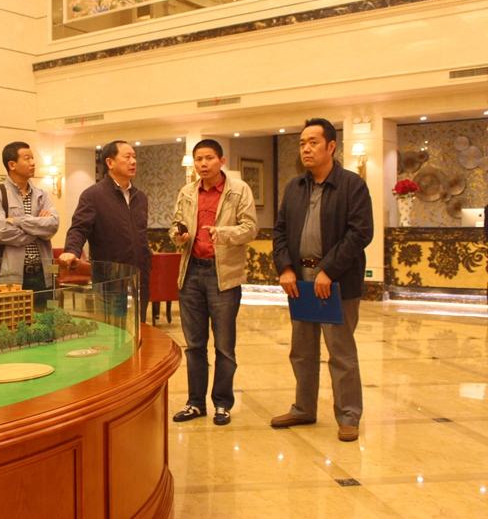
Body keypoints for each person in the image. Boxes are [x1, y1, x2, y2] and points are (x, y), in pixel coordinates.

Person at [271, 118, 374, 442]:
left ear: (331, 146)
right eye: (302, 143)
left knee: (341, 353)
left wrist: (328, 270)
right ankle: (304, 408)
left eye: (313, 142)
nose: (306, 148)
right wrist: (285, 267)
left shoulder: (352, 185)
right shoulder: (294, 187)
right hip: (301, 283)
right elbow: (280, 232)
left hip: (338, 283)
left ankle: (348, 416)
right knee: (302, 351)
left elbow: (360, 233)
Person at [170, 139, 259, 426]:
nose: (203, 164)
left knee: (224, 346)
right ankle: (195, 403)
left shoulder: (239, 190)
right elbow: (175, 226)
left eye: (209, 158)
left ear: (221, 161)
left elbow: (250, 228)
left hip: (224, 275)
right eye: (198, 159)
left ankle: (222, 403)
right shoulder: (187, 192)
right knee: (194, 345)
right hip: (191, 272)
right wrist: (179, 236)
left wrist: (223, 233)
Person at [59, 140, 152, 323]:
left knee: (139, 327)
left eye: (134, 157)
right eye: (127, 157)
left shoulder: (140, 197)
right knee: (113, 329)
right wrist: (71, 250)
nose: (133, 161)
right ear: (110, 162)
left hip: (139, 276)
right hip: (110, 278)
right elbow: (79, 228)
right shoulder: (93, 195)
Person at [0, 142, 59, 310]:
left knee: (45, 321)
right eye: (27, 158)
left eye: (33, 158)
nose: (33, 163)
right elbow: (1, 232)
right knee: (12, 322)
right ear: (12, 165)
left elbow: (53, 225)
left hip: (43, 275)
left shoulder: (41, 195)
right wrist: (37, 229)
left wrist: (17, 221)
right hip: (11, 276)